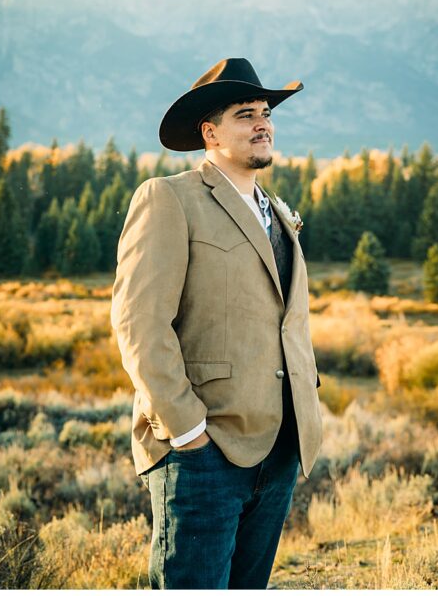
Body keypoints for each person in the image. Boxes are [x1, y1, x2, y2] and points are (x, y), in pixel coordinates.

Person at [111, 58, 323, 589]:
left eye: (267, 113)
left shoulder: (275, 211)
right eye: (245, 114)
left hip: (279, 449)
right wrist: (187, 431)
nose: (263, 123)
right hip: (202, 454)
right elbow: (139, 322)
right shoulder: (169, 198)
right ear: (210, 132)